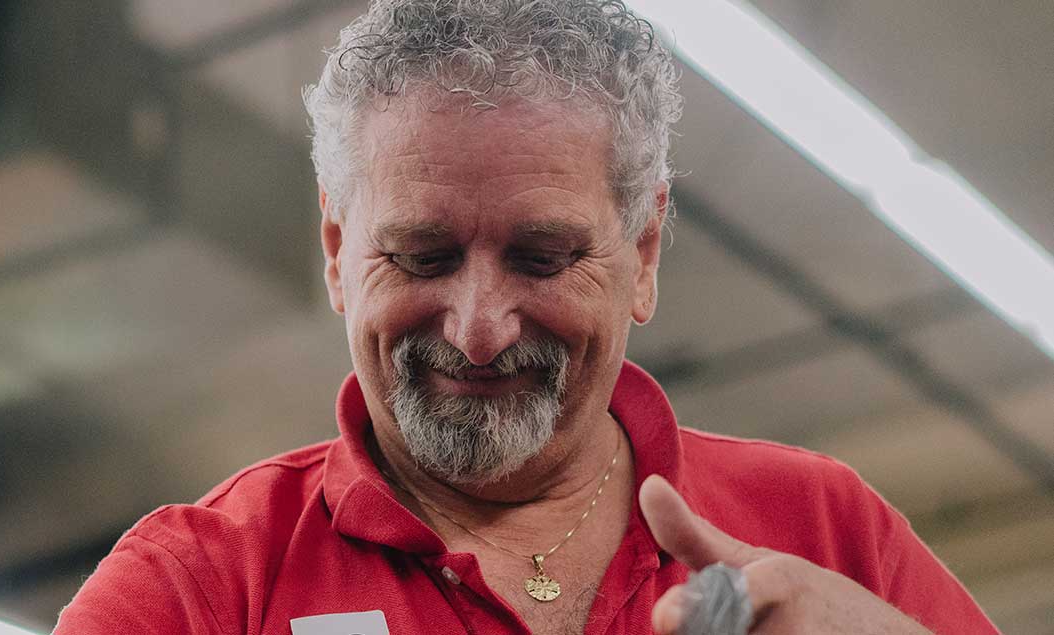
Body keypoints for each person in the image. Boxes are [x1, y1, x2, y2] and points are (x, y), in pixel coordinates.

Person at [55, 1, 999, 634]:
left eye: (543, 257)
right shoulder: (198, 589)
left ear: (643, 253)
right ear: (338, 252)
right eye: (421, 256)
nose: (477, 329)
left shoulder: (820, 529)